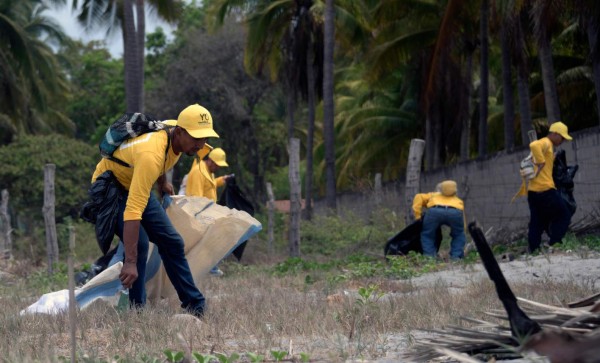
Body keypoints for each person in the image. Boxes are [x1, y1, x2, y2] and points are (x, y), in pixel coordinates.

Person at [90, 104, 219, 317]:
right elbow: (133, 210)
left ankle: (195, 306)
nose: (201, 144)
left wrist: (162, 182)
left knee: (172, 242)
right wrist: (130, 262)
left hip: (136, 180)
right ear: (179, 132)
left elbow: (163, 157)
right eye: (196, 138)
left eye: (205, 138)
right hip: (111, 188)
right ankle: (136, 311)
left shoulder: (173, 135)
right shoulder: (152, 154)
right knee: (139, 245)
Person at [184, 147, 233, 276]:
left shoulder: (208, 171)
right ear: (211, 161)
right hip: (199, 213)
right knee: (206, 240)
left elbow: (210, 185)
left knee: (210, 239)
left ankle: (209, 266)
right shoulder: (198, 172)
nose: (218, 168)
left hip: (207, 212)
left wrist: (223, 180)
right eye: (217, 165)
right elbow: (196, 198)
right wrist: (202, 217)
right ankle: (207, 267)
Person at [526, 121, 573, 252]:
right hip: (545, 190)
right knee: (564, 214)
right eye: (562, 137)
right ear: (555, 134)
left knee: (537, 220)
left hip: (533, 192)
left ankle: (534, 249)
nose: (562, 140)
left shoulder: (548, 147)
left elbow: (544, 160)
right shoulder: (546, 142)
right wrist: (541, 162)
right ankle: (554, 243)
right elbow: (534, 145)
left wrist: (550, 158)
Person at [412, 180, 466, 260]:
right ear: (455, 190)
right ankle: (456, 257)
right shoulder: (458, 200)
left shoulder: (434, 195)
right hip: (455, 211)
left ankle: (429, 258)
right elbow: (462, 214)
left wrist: (417, 216)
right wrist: (463, 228)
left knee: (427, 235)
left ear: (440, 189)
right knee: (459, 235)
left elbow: (418, 196)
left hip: (434, 211)